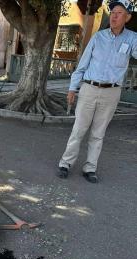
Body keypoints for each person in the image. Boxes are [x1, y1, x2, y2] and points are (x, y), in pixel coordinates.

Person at [57, 0, 137, 183]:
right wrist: (72, 88)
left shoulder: (132, 39)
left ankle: (90, 168)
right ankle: (65, 163)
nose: (114, 16)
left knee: (98, 133)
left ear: (128, 17)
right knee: (79, 129)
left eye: (119, 13)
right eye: (113, 12)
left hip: (112, 92)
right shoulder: (98, 37)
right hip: (89, 88)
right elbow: (82, 65)